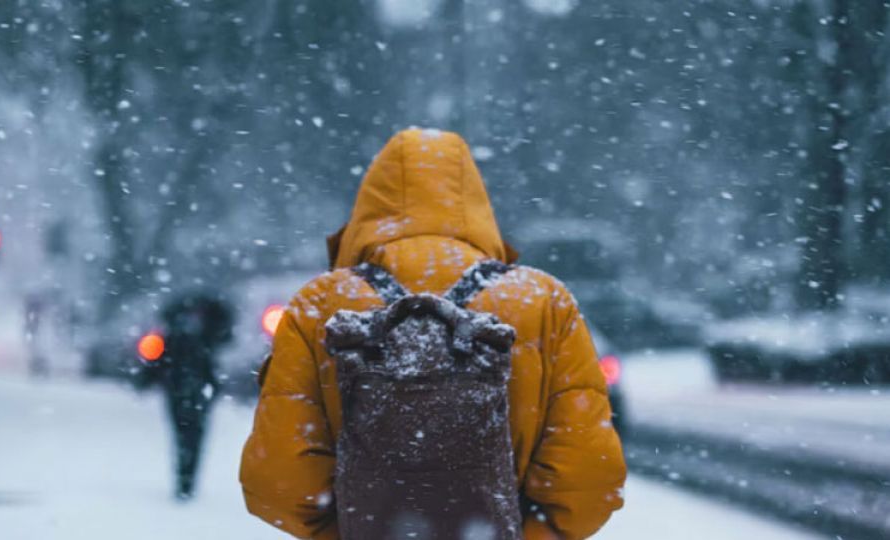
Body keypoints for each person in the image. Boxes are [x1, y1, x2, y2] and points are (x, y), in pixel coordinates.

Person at [240, 128, 627, 539]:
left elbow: (276, 482)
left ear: (369, 205)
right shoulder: (543, 301)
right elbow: (589, 482)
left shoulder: (320, 304)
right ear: (476, 204)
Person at [144, 291, 233, 500]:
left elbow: (158, 361)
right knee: (193, 436)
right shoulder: (207, 334)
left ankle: (184, 479)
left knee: (183, 435)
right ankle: (187, 479)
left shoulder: (178, 333)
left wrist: (149, 378)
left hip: (182, 389)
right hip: (195, 390)